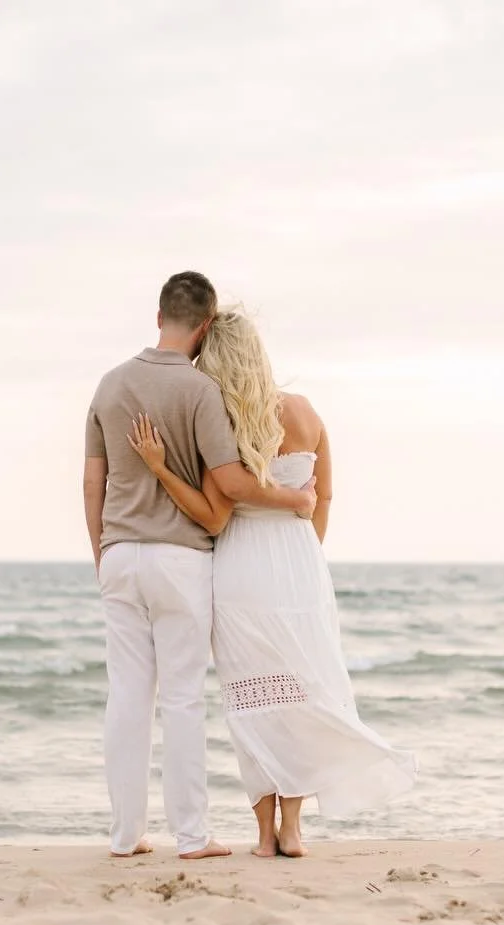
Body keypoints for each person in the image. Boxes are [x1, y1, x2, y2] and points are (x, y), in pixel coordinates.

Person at [128, 306, 416, 858]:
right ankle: (293, 830)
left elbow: (217, 507)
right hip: (300, 563)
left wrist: (163, 470)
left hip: (240, 565)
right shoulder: (306, 412)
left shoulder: (221, 419)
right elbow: (322, 497)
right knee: (300, 691)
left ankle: (263, 836)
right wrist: (305, 553)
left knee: (251, 700)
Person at [84, 272, 317, 860]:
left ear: (158, 315)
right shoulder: (201, 392)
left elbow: (93, 481)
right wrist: (294, 500)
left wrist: (102, 552)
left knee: (127, 696)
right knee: (183, 698)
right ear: (206, 324)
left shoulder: (109, 385)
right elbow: (229, 482)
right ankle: (191, 837)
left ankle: (125, 835)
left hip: (118, 555)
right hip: (181, 558)